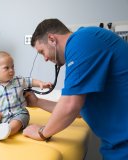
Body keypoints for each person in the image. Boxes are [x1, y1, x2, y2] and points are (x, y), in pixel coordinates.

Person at [22, 18, 128, 160]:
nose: (45, 58)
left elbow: (71, 105)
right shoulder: (85, 41)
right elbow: (78, 110)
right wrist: (37, 102)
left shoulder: (81, 41)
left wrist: (41, 132)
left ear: (52, 39)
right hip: (116, 146)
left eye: (42, 51)